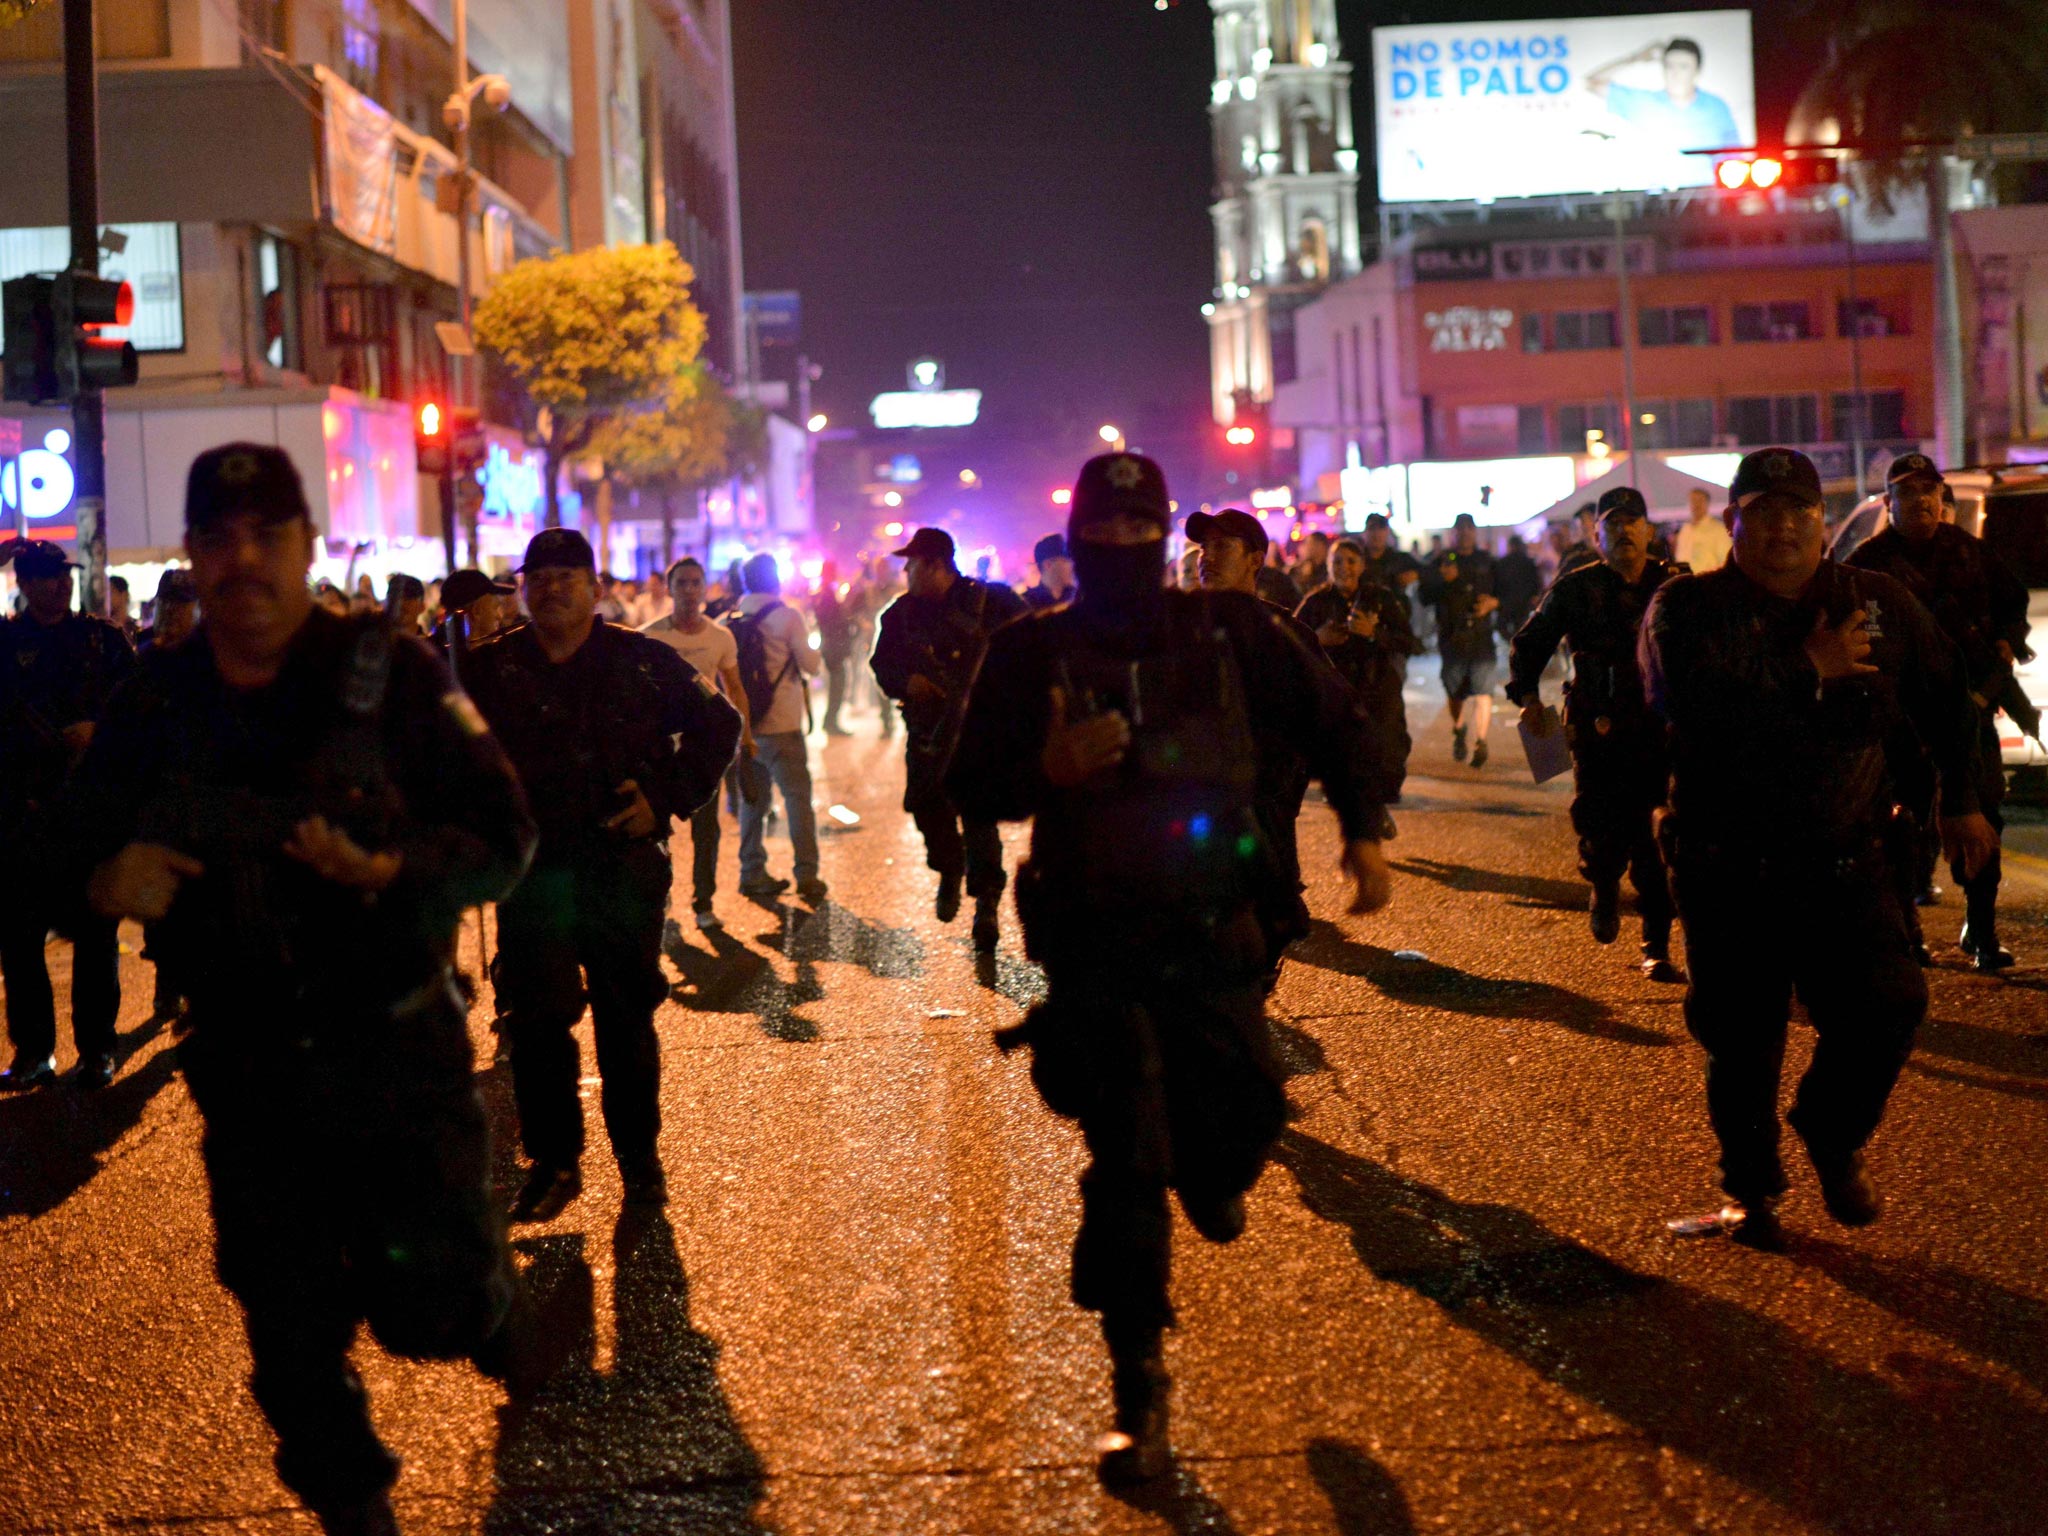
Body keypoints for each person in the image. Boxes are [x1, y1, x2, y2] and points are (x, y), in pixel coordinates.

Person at [45, 443, 538, 1534]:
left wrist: (391, 869)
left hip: (399, 1063)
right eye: (218, 540)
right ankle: (356, 1511)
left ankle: (483, 1297)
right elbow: (56, 841)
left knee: (434, 1308)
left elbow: (504, 839)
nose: (243, 561)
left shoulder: (389, 674)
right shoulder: (157, 701)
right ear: (190, 556)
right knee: (290, 1338)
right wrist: (98, 876)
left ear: (309, 547)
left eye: (268, 535)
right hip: (251, 1078)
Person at [949, 453, 1394, 1482]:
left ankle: (1216, 1163)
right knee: (1127, 1154)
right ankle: (1135, 1383)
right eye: (1098, 533)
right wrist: (1042, 771)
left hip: (1213, 928)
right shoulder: (1029, 652)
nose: (1115, 550)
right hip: (1093, 942)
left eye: (1133, 532)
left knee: (1239, 1122)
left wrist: (1361, 834)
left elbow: (1335, 718)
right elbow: (964, 779)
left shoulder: (1229, 630)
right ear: (1075, 535)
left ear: (1162, 536)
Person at [1641, 447, 1997, 1246]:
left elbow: (1947, 697)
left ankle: (1831, 1135)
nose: (1781, 530)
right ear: (1732, 523)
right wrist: (1804, 666)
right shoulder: (1686, 607)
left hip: (1844, 856)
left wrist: (1962, 803)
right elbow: (1688, 703)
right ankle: (1752, 1192)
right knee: (1743, 1039)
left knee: (1891, 1003)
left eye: (1797, 513)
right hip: (1727, 864)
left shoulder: (1875, 601)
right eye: (1762, 513)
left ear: (1823, 523)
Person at [467, 528, 742, 1222]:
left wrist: (667, 797)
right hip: (533, 878)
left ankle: (640, 1166)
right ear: (523, 588)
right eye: (541, 576)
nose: (553, 587)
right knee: (535, 1023)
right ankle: (554, 1162)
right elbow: (439, 756)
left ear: (595, 588)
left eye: (569, 575)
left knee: (625, 1024)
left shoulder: (642, 661)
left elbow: (720, 727)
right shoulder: (486, 671)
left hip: (621, 871)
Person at [1847, 453, 2032, 971]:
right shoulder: (1868, 563)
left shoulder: (1970, 553)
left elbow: (2011, 608)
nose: (1922, 501)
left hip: (1968, 711)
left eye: (1930, 491)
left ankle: (1982, 927)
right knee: (1901, 825)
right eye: (1907, 493)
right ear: (1890, 503)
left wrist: (2002, 647)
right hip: (1897, 721)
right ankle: (1906, 929)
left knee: (1984, 813)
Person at [1508, 488, 1683, 980]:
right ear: (1596, 533)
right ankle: (1604, 887)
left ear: (1650, 530)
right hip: (1598, 728)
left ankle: (1656, 943)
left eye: (1633, 522)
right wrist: (1528, 699)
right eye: (1612, 523)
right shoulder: (1576, 588)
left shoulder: (1676, 586)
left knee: (1661, 837)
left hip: (1659, 729)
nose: (1624, 531)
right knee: (1600, 824)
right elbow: (1530, 644)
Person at [0, 539, 135, 1091]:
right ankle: (34, 1052)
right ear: (27, 585)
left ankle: (98, 1048)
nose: (63, 583)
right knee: (20, 938)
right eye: (50, 577)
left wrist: (98, 734)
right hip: (23, 812)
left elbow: (142, 717)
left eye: (65, 574)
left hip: (87, 812)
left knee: (96, 934)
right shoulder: (7, 644)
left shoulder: (102, 642)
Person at [872, 527, 1027, 949]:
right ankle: (949, 866)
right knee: (924, 804)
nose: (906, 571)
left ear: (936, 564)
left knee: (978, 817)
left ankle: (986, 905)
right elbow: (882, 666)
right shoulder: (900, 615)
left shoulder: (991, 602)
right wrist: (909, 681)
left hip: (981, 734)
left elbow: (1031, 648)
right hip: (928, 733)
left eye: (913, 564)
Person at [641, 557, 756, 930]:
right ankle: (661, 892)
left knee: (708, 829)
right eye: (682, 583)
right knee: (657, 829)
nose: (690, 590)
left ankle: (703, 901)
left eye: (696, 582)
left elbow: (734, 687)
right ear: (670, 589)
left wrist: (746, 737)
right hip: (657, 749)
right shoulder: (649, 637)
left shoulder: (720, 637)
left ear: (705, 588)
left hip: (701, 751)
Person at [727, 552, 827, 904]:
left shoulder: (733, 619)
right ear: (776, 580)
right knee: (798, 800)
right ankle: (807, 874)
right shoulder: (788, 617)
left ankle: (751, 871)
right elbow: (811, 666)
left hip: (748, 727)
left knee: (753, 801)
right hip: (783, 724)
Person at [1296, 534, 1420, 804]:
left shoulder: (1380, 598)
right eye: (1337, 561)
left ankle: (1385, 788)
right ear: (1328, 566)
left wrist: (1374, 633)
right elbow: (1290, 642)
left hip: (1378, 683)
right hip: (1335, 685)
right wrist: (1318, 637)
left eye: (1351, 561)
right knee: (1338, 745)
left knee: (1387, 740)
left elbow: (1409, 641)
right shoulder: (1316, 602)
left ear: (1362, 565)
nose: (1344, 567)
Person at [1587, 37, 1742, 174]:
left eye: (1683, 66)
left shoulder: (1716, 107)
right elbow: (1592, 83)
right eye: (1670, 66)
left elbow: (1735, 156)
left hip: (1708, 199)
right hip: (1655, 199)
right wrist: (1635, 58)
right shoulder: (1644, 103)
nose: (1675, 73)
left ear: (1697, 71)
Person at [1420, 513, 1501, 768]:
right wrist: (1445, 581)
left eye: (1469, 528)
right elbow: (1425, 596)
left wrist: (1493, 603)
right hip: (1452, 638)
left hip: (1481, 636)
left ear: (1475, 532)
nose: (1465, 532)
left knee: (1484, 690)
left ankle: (1481, 742)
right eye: (1460, 528)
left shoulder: (1486, 561)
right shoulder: (1440, 562)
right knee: (1455, 692)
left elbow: (1503, 592)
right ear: (1453, 533)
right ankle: (1459, 728)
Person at [812, 560, 857, 736]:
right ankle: (831, 722)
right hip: (834, 648)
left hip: (832, 646)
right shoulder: (827, 594)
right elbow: (833, 622)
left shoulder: (825, 593)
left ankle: (830, 721)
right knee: (838, 684)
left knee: (838, 684)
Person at [1493, 533, 1543, 639]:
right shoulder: (1528, 562)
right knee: (1521, 629)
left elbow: (1497, 583)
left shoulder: (1503, 562)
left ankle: (1512, 644)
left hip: (1506, 602)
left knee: (1503, 628)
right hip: (1523, 602)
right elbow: (1535, 582)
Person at [138, 567, 200, 654]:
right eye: (164, 601)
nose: (169, 609)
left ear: (199, 609)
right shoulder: (140, 644)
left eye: (179, 603)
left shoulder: (212, 652)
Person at [1674, 486, 1732, 572]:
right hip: (1685, 581)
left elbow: (1726, 561)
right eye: (1693, 501)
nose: (1696, 504)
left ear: (1707, 503)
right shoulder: (1685, 529)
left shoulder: (1718, 530)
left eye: (1700, 500)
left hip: (1707, 581)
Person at [1023, 533, 1077, 610]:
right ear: (1048, 564)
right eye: (1066, 560)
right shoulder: (1027, 605)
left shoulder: (1080, 596)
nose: (1073, 564)